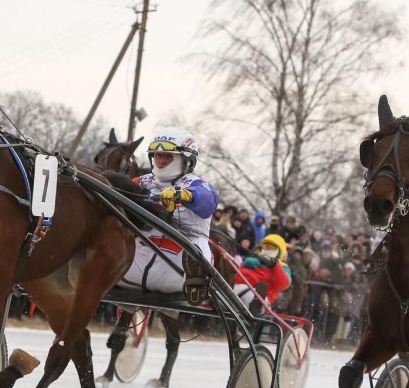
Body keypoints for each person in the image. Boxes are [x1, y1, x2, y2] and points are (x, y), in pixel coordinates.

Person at [118, 126, 218, 305]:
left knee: (196, 249)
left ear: (186, 160)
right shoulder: (140, 182)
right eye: (157, 155)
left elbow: (209, 201)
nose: (161, 161)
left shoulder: (197, 184)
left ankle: (197, 282)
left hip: (179, 263)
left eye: (167, 156)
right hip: (138, 257)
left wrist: (185, 195)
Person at [233, 234, 291, 313]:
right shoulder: (251, 260)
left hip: (261, 296)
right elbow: (238, 275)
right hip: (237, 287)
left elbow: (284, 284)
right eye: (266, 246)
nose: (268, 250)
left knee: (260, 288)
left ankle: (257, 304)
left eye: (272, 248)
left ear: (279, 251)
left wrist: (274, 265)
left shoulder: (282, 267)